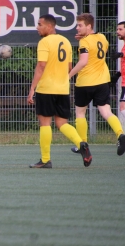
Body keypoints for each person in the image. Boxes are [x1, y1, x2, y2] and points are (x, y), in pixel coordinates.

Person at [27, 14, 92, 169]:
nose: (37, 27)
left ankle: (45, 160)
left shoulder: (44, 42)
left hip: (46, 88)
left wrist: (31, 89)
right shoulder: (66, 42)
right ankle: (81, 144)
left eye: (40, 24)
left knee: (45, 123)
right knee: (62, 123)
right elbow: (70, 68)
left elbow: (41, 66)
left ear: (50, 26)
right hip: (63, 89)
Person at [69, 13, 125, 156]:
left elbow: (83, 61)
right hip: (102, 81)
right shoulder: (102, 38)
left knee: (80, 113)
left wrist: (68, 75)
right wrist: (84, 37)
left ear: (89, 26)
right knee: (106, 111)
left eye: (80, 25)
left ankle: (82, 144)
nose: (77, 28)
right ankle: (120, 134)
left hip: (85, 82)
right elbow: (96, 49)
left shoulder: (84, 42)